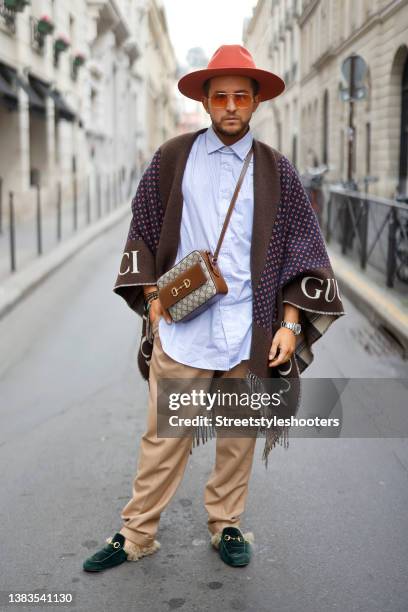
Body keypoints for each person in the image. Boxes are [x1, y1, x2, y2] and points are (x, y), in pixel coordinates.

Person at [83, 45, 344, 573]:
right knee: (164, 437)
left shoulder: (277, 170)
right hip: (183, 330)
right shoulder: (172, 158)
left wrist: (290, 324)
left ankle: (225, 524)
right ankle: (136, 534)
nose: (230, 105)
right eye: (220, 95)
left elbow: (302, 248)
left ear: (255, 102)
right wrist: (154, 300)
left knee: (237, 436)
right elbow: (144, 228)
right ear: (204, 101)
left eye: (240, 97)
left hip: (249, 331)